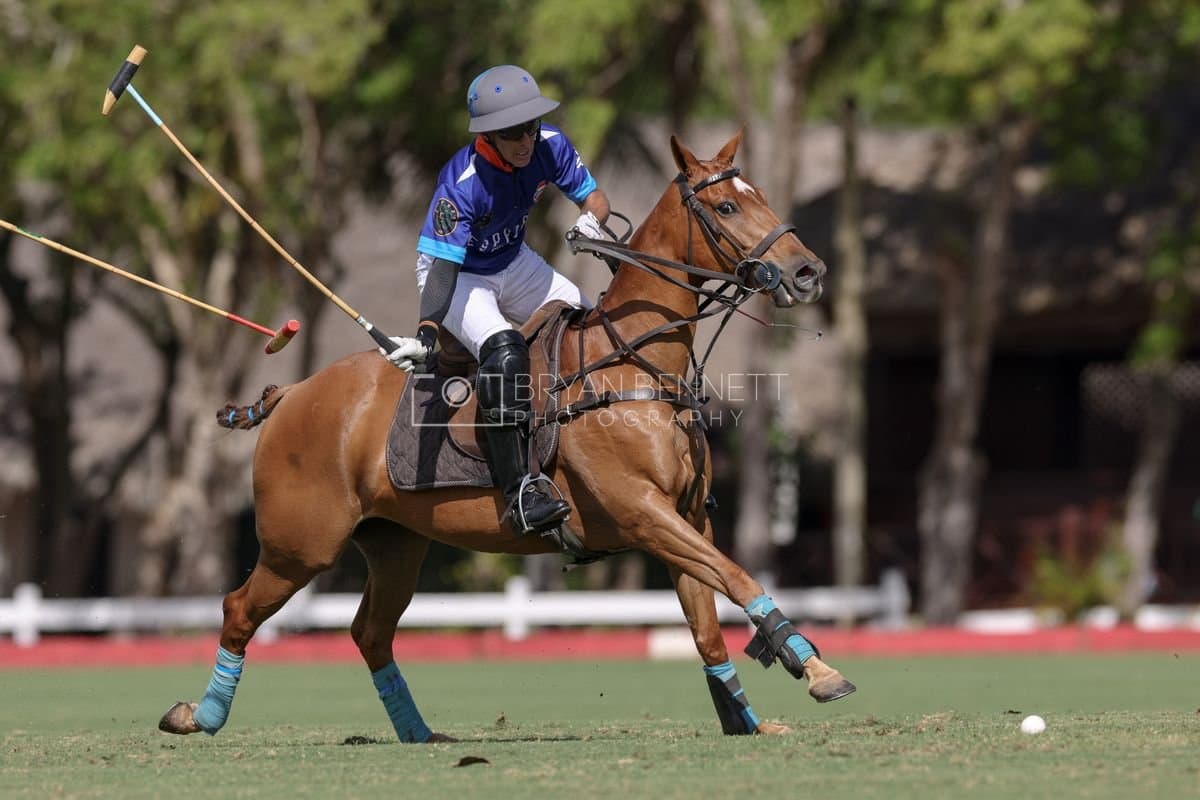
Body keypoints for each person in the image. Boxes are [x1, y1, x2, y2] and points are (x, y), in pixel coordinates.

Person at [382, 64, 611, 535]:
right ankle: (520, 491)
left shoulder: (549, 144)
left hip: (513, 260)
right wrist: (428, 331)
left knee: (596, 330)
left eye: (530, 126)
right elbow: (443, 269)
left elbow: (595, 197)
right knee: (505, 350)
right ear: (488, 135)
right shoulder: (462, 182)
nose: (526, 140)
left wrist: (590, 220)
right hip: (460, 274)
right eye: (512, 133)